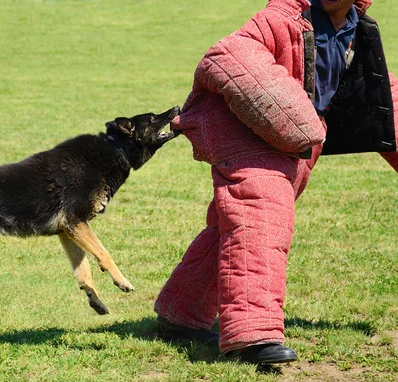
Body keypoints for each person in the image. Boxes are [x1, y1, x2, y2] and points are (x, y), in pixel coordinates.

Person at [154, 0, 398, 365]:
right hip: (247, 133)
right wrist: (290, 115)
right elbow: (227, 54)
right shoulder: (283, 16)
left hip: (294, 142)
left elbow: (380, 95)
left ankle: (179, 314)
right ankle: (252, 336)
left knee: (229, 227)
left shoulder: (355, 27)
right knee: (261, 221)